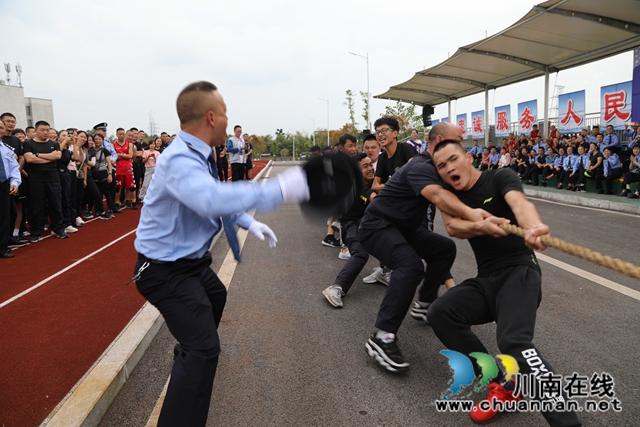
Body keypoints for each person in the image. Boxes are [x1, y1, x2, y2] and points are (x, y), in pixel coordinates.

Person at [133, 80, 309, 427]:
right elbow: (210, 199)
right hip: (164, 271)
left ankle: (190, 347)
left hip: (189, 263)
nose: (229, 120)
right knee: (203, 349)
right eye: (225, 113)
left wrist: (245, 220)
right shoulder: (181, 158)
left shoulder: (200, 151)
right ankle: (192, 355)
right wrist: (278, 190)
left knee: (214, 294)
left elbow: (211, 196)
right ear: (211, 117)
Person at [427, 139, 582, 427]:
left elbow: (519, 203)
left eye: (452, 160)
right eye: (441, 166)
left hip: (519, 272)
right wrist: (479, 225)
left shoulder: (499, 176)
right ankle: (505, 386)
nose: (449, 168)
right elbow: (453, 227)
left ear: (468, 158)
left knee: (513, 342)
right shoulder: (449, 196)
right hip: (487, 279)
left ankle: (567, 423)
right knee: (441, 312)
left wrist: (533, 227)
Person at [359, 122, 488, 373]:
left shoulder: (441, 169)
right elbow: (439, 198)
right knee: (410, 266)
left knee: (444, 248)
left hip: (403, 228)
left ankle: (425, 303)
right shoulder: (421, 165)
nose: (463, 145)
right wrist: (474, 215)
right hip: (378, 225)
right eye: (459, 140)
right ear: (440, 141)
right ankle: (382, 337)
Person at [322, 153, 376, 307]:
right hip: (351, 226)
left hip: (367, 225)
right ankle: (336, 287)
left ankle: (385, 271)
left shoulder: (376, 181)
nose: (370, 168)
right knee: (360, 254)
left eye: (371, 164)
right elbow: (373, 198)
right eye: (365, 166)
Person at [22, 120, 69, 241]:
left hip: (53, 178)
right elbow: (29, 159)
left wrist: (37, 154)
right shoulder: (29, 144)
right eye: (42, 130)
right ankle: (36, 232)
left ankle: (58, 229)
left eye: (47, 130)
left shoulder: (54, 143)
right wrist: (49, 157)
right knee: (36, 207)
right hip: (35, 180)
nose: (45, 132)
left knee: (56, 204)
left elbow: (57, 157)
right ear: (36, 131)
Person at [0, 120, 22, 257]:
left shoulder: (6, 150)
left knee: (4, 216)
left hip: (3, 185)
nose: (0, 130)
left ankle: (2, 248)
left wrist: (14, 182)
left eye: (1, 127)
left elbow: (14, 168)